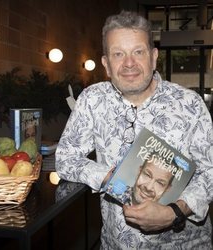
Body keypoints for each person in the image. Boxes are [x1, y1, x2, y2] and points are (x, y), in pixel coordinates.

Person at [55, 10, 213, 249]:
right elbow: (66, 158)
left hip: (184, 243)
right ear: (106, 64)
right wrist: (110, 177)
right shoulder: (92, 99)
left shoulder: (189, 104)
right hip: (116, 243)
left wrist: (174, 212)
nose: (129, 63)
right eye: (118, 54)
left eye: (138, 52)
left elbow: (210, 171)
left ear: (154, 56)